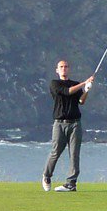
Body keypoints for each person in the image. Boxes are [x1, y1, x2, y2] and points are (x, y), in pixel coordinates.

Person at [42, 60, 94, 192]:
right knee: (55, 152)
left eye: (66, 67)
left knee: (74, 154)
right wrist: (84, 82)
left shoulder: (75, 84)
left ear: (68, 69)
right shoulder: (55, 84)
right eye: (61, 67)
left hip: (75, 123)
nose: (64, 69)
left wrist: (86, 90)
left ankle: (71, 183)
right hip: (59, 123)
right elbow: (67, 92)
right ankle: (47, 176)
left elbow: (81, 101)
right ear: (57, 70)